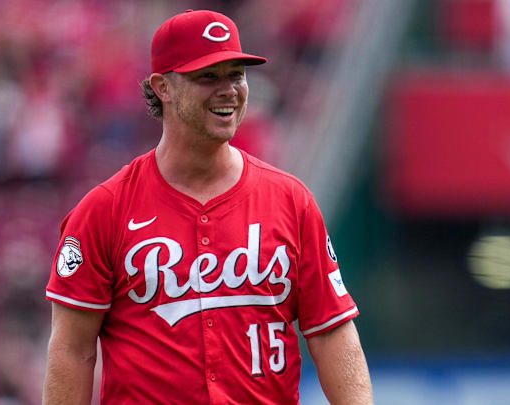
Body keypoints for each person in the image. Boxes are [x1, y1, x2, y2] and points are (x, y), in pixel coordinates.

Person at [43, 9, 372, 405]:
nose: (229, 89)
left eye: (236, 74)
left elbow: (332, 332)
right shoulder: (104, 210)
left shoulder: (291, 201)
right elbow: (72, 351)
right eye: (208, 77)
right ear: (162, 87)